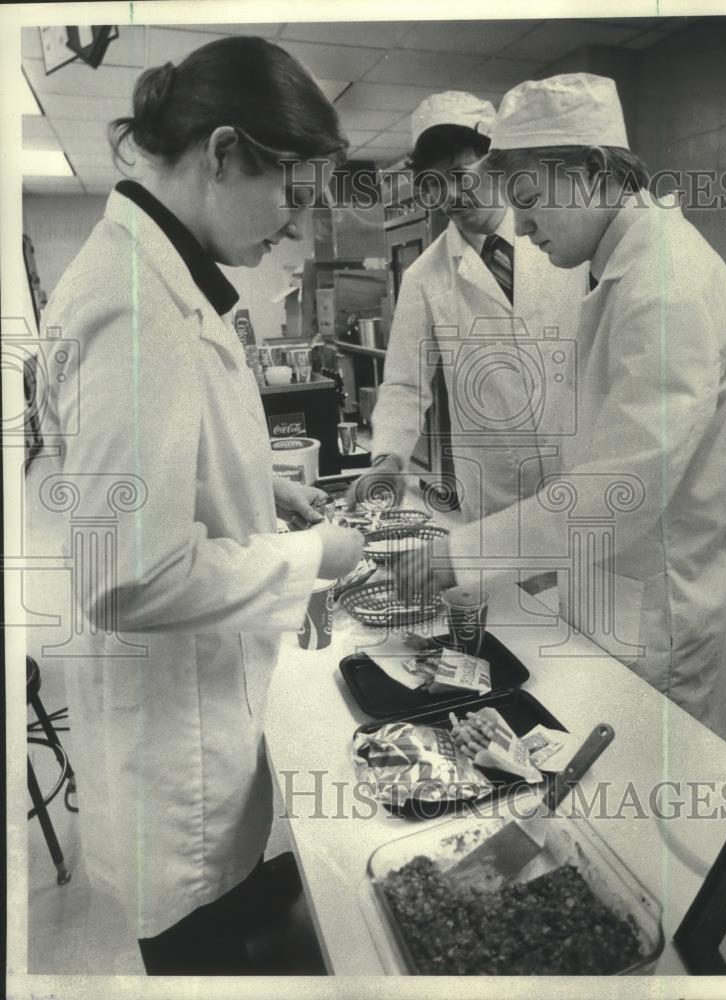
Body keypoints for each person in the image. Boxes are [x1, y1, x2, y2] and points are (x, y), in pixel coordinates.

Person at [25, 36, 364, 974]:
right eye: (290, 192)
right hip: (179, 773)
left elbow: (151, 487)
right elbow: (126, 576)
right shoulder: (137, 305)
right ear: (222, 153)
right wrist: (316, 558)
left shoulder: (149, 276)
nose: (293, 226)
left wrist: (262, 490)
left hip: (184, 729)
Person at [394, 74, 726, 741]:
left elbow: (621, 491)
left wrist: (467, 553)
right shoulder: (624, 268)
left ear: (596, 171)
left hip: (668, 608)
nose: (526, 222)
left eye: (532, 199)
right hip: (621, 585)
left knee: (668, 801)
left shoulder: (665, 288)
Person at [348, 90, 586, 524]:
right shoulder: (424, 275)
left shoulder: (567, 240)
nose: (451, 195)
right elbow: (404, 384)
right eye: (435, 184)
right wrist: (388, 459)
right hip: (498, 485)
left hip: (583, 468)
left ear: (494, 162)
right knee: (508, 588)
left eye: (460, 173)